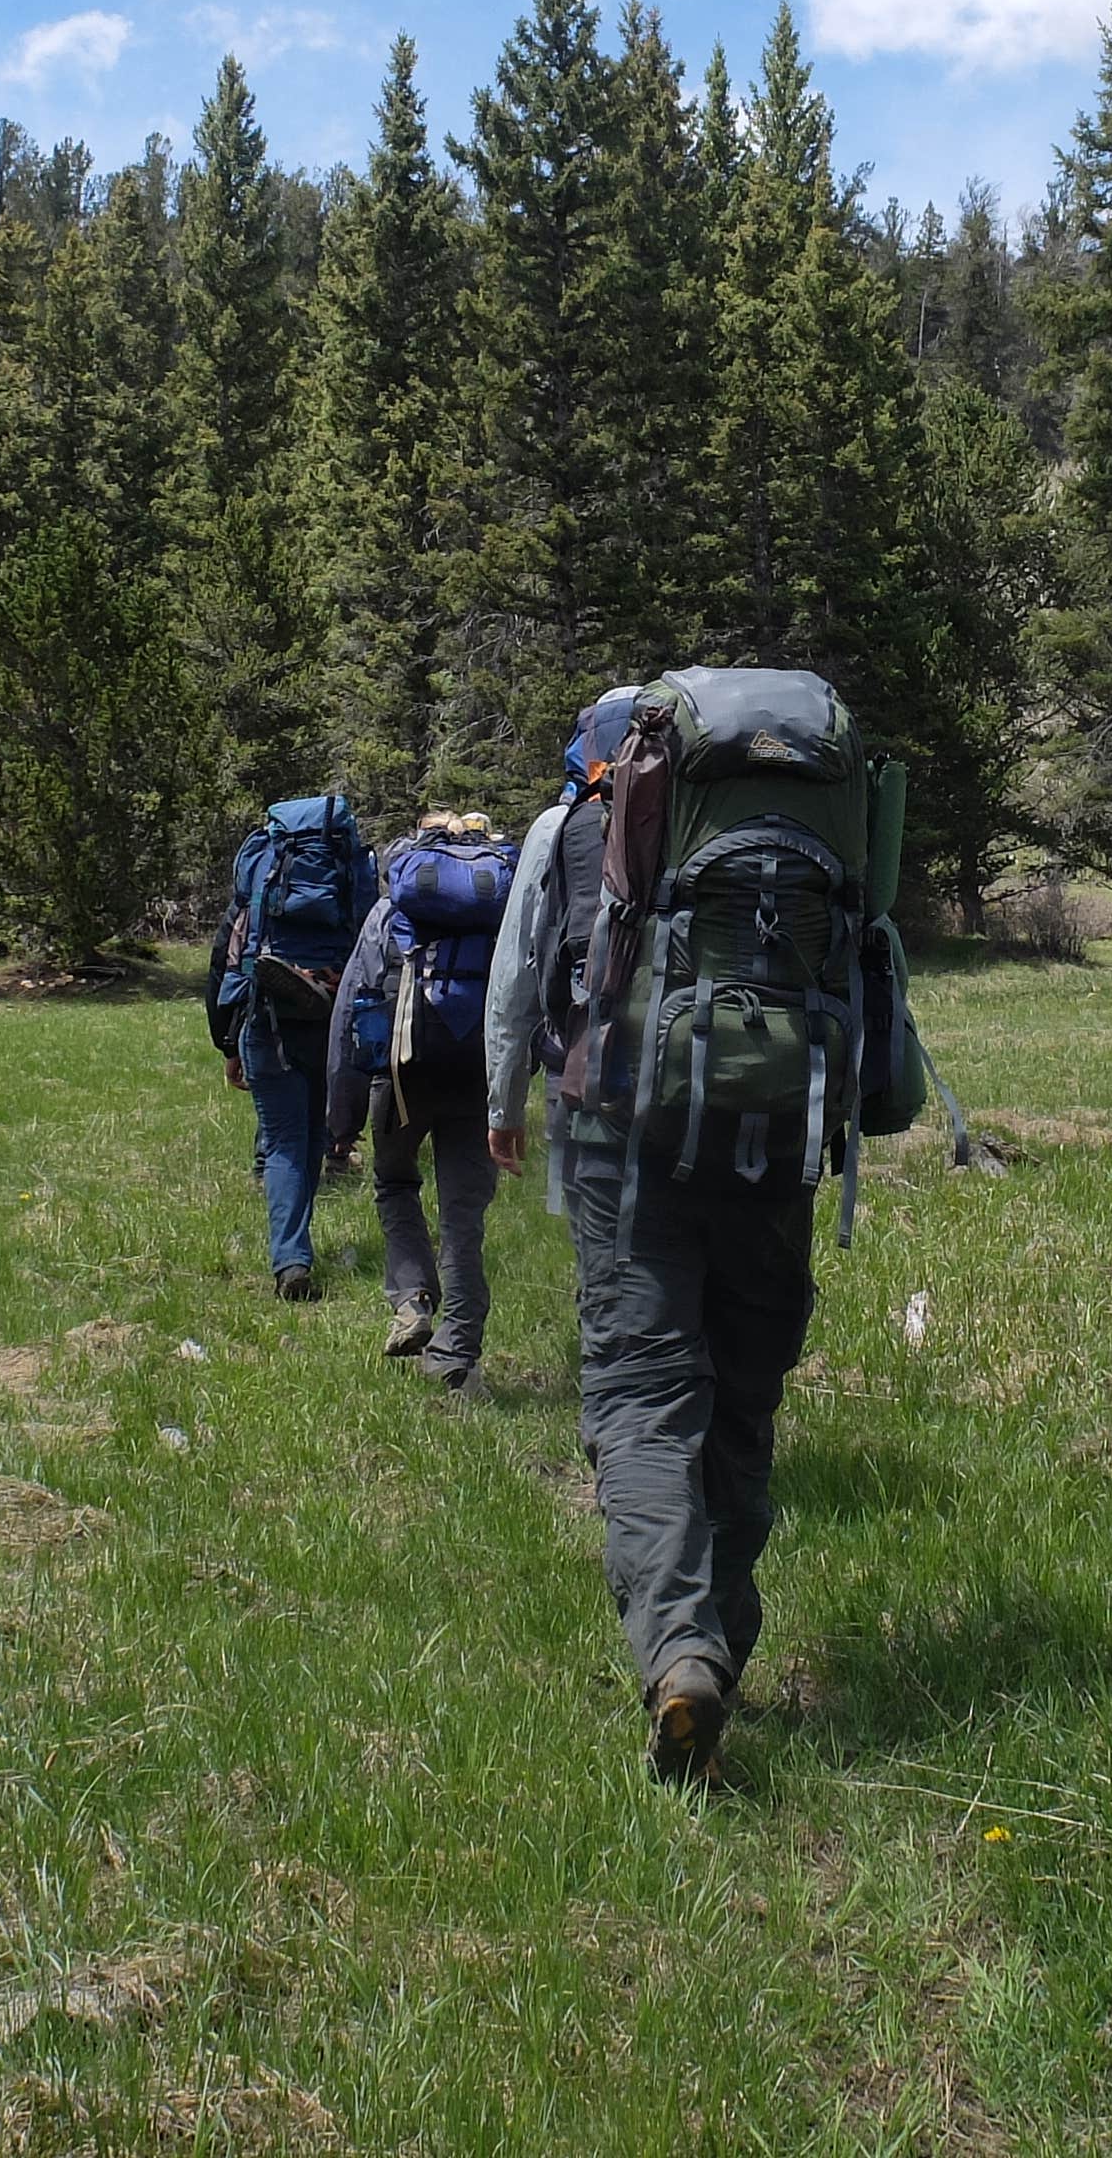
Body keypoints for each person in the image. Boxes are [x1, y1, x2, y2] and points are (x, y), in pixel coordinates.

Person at [487, 681, 819, 1786]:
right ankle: (721, 1638)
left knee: (640, 1393)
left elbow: (520, 973)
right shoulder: (806, 816)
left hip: (620, 1132)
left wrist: (503, 1106)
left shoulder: (576, 822)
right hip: (774, 1129)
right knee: (742, 1396)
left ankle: (680, 1650)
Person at [326, 810, 516, 1386]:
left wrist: (342, 1113)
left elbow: (353, 1005)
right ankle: (458, 1350)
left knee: (395, 1182)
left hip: (402, 1074)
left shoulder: (392, 909)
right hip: (478, 1072)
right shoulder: (502, 915)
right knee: (464, 1215)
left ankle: (411, 1301)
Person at [209, 791, 372, 1299]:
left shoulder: (262, 861)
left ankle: (291, 1259)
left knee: (282, 1143)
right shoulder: (355, 865)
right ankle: (294, 1254)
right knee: (310, 1138)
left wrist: (227, 1043)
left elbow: (226, 954)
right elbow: (373, 940)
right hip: (331, 1015)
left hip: (266, 1017)